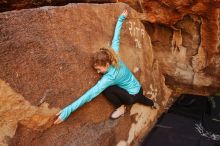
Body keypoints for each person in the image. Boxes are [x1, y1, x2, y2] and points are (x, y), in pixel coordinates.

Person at [54, 10, 158, 125]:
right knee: (143, 99)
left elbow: (89, 95)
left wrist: (67, 110)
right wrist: (121, 19)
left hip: (130, 98)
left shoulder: (109, 78)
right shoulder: (114, 55)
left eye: (99, 69)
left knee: (107, 89)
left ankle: (121, 108)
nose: (98, 72)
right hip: (139, 88)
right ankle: (153, 104)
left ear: (107, 64)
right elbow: (116, 38)